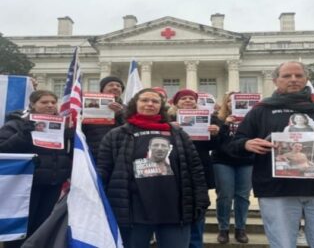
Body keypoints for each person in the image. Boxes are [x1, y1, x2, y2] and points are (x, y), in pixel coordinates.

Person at [223, 61, 314, 248]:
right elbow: (233, 145)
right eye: (287, 76)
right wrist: (246, 144)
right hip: (277, 190)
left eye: (299, 76)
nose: (293, 80)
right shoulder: (261, 110)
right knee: (281, 245)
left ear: (306, 79)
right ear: (275, 81)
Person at [97, 88, 209, 248]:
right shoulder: (116, 135)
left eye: (155, 101)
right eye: (144, 100)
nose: (150, 104)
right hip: (133, 212)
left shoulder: (178, 133)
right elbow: (104, 169)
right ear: (135, 104)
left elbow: (195, 169)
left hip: (175, 210)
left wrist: (201, 201)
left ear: (161, 106)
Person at [0, 90, 73, 248]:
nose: (50, 105)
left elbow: (66, 154)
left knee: (43, 226)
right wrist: (24, 135)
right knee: (22, 227)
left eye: (53, 102)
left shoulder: (61, 125)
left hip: (53, 183)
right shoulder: (16, 124)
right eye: (44, 102)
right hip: (25, 185)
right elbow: (2, 149)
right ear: (32, 104)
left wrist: (71, 136)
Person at [168, 89, 220, 248]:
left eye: (191, 98)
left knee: (199, 206)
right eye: (183, 99)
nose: (188, 101)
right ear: (176, 102)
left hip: (199, 168)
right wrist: (167, 129)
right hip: (174, 170)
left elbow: (216, 146)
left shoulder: (209, 119)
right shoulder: (167, 119)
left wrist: (216, 133)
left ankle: (196, 244)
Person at [211, 91, 253, 244]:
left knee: (243, 196)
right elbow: (214, 142)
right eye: (230, 101)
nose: (233, 104)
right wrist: (225, 125)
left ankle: (240, 228)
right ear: (226, 103)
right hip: (222, 160)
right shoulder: (218, 119)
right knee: (225, 195)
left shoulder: (251, 119)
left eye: (239, 101)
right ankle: (223, 229)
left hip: (246, 160)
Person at [82, 76, 125, 161]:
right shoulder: (88, 107)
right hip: (95, 152)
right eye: (111, 85)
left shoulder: (128, 109)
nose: (115, 87)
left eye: (118, 86)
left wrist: (120, 114)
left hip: (120, 153)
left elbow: (132, 130)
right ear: (102, 89)